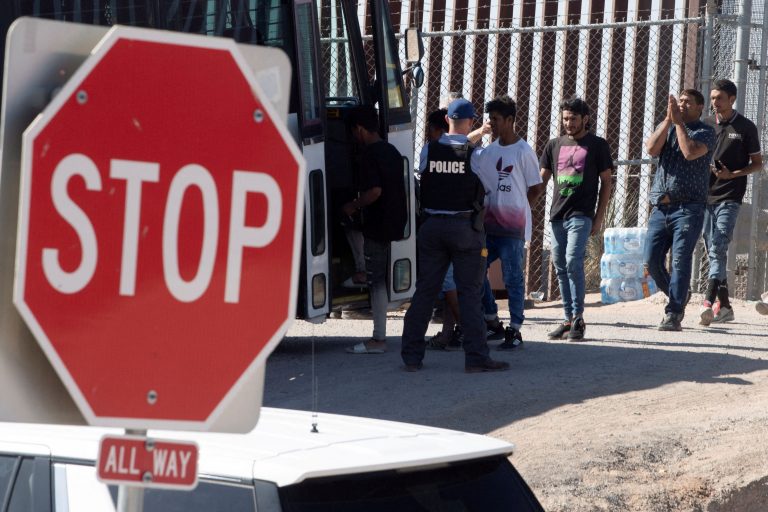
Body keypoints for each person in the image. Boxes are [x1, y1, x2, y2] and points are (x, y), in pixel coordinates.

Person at [401, 98, 509, 373]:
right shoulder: (477, 156)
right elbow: (489, 191)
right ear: (471, 122)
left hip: (432, 227)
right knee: (470, 294)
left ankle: (411, 357)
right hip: (464, 229)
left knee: (425, 291)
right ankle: (476, 358)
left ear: (447, 119)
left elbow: (427, 175)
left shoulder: (429, 150)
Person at [474, 95, 544, 349]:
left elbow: (536, 188)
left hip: (512, 230)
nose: (491, 123)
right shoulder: (488, 152)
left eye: (496, 119)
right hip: (489, 229)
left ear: (510, 120)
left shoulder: (524, 151)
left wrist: (520, 209)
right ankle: (491, 317)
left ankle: (515, 328)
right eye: (489, 118)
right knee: (476, 269)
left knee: (513, 277)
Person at [540, 98, 613, 340]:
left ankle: (579, 318)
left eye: (573, 118)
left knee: (573, 261)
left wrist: (599, 217)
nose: (569, 123)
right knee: (560, 265)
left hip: (581, 215)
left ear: (585, 119)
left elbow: (607, 182)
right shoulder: (553, 145)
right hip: (557, 215)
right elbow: (542, 181)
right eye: (565, 119)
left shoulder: (597, 145)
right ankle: (568, 318)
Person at [644, 89, 716, 331]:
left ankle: (674, 312)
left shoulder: (705, 132)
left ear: (700, 108)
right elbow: (651, 149)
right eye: (680, 101)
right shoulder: (669, 126)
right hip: (660, 208)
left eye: (688, 103)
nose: (682, 105)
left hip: (688, 207)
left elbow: (689, 152)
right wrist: (667, 120)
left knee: (680, 260)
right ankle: (680, 295)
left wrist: (678, 124)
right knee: (651, 260)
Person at [698, 79, 763, 326]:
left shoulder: (745, 127)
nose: (715, 102)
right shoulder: (705, 125)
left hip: (730, 197)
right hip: (705, 198)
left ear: (732, 99)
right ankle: (724, 306)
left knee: (719, 244)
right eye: (712, 98)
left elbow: (757, 164)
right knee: (714, 250)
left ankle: (707, 301)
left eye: (720, 98)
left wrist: (732, 175)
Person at [343, 106, 407, 354]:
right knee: (375, 274)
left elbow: (374, 191)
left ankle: (378, 339)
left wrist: (353, 205)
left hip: (377, 224)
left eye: (354, 132)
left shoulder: (369, 155)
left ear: (359, 129)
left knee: (376, 281)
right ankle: (360, 272)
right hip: (393, 223)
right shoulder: (391, 150)